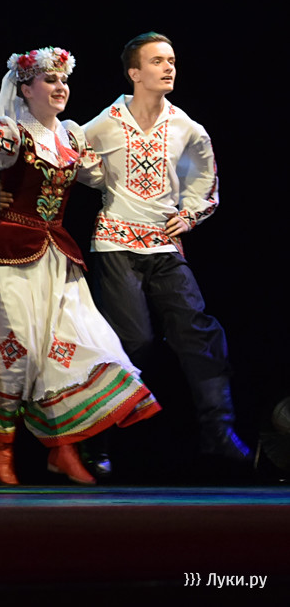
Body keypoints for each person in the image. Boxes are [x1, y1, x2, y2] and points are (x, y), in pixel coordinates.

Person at [0, 47, 160, 485]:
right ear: (26, 89)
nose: (60, 87)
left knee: (81, 344)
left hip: (56, 255)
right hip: (7, 254)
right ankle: (0, 446)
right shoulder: (12, 134)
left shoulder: (73, 136)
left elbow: (106, 175)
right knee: (16, 351)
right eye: (50, 80)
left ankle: (62, 445)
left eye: (64, 80)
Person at [81, 32, 248, 468]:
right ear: (134, 73)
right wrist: (16, 192)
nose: (168, 67)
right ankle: (98, 439)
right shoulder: (105, 123)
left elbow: (204, 177)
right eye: (157, 61)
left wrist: (190, 214)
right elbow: (65, 157)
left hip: (163, 244)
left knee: (198, 331)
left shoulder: (186, 127)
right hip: (116, 244)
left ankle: (219, 430)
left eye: (171, 60)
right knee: (132, 339)